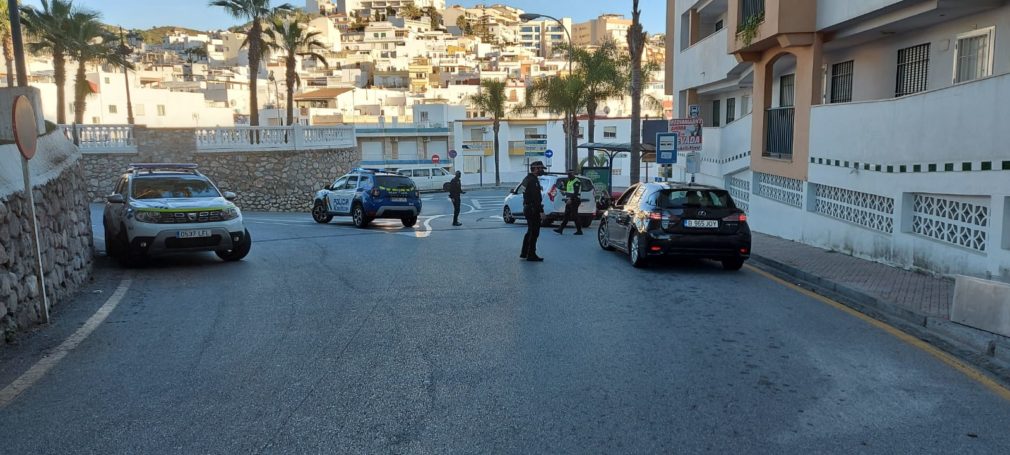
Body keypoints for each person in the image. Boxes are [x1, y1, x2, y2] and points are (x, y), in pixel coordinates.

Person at [520, 161, 546, 261]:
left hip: (528, 208)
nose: (542, 171)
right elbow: (536, 198)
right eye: (541, 169)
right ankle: (531, 254)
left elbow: (524, 193)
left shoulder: (527, 179)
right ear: (535, 169)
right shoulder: (533, 181)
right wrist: (541, 211)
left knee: (530, 231)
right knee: (534, 232)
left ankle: (524, 252)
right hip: (532, 209)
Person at [554, 169, 583, 235]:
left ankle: (579, 230)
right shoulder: (569, 181)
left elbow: (576, 192)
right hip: (569, 200)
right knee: (566, 215)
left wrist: (571, 199)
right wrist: (564, 193)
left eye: (570, 174)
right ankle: (560, 229)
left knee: (575, 215)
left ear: (573, 174)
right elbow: (570, 191)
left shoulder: (576, 181)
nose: (569, 175)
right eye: (568, 174)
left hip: (574, 200)